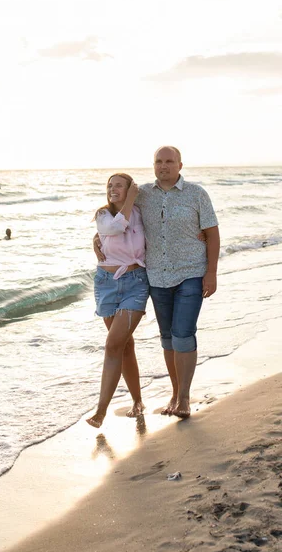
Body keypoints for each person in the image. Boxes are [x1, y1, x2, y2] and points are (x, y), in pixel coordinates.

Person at [94, 147, 219, 420]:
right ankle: (174, 394)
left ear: (179, 164)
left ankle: (184, 398)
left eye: (169, 161)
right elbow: (118, 220)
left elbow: (211, 233)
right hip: (157, 278)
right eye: (159, 161)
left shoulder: (197, 194)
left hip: (191, 273)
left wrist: (211, 272)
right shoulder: (143, 195)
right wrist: (98, 239)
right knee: (167, 337)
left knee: (183, 333)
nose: (164, 166)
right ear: (153, 165)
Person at [87, 173, 150, 429]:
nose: (113, 189)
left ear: (130, 189)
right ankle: (137, 401)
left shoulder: (140, 212)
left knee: (113, 344)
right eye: (110, 185)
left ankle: (100, 411)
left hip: (135, 282)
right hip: (106, 284)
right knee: (124, 346)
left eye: (119, 185)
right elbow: (114, 227)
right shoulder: (103, 215)